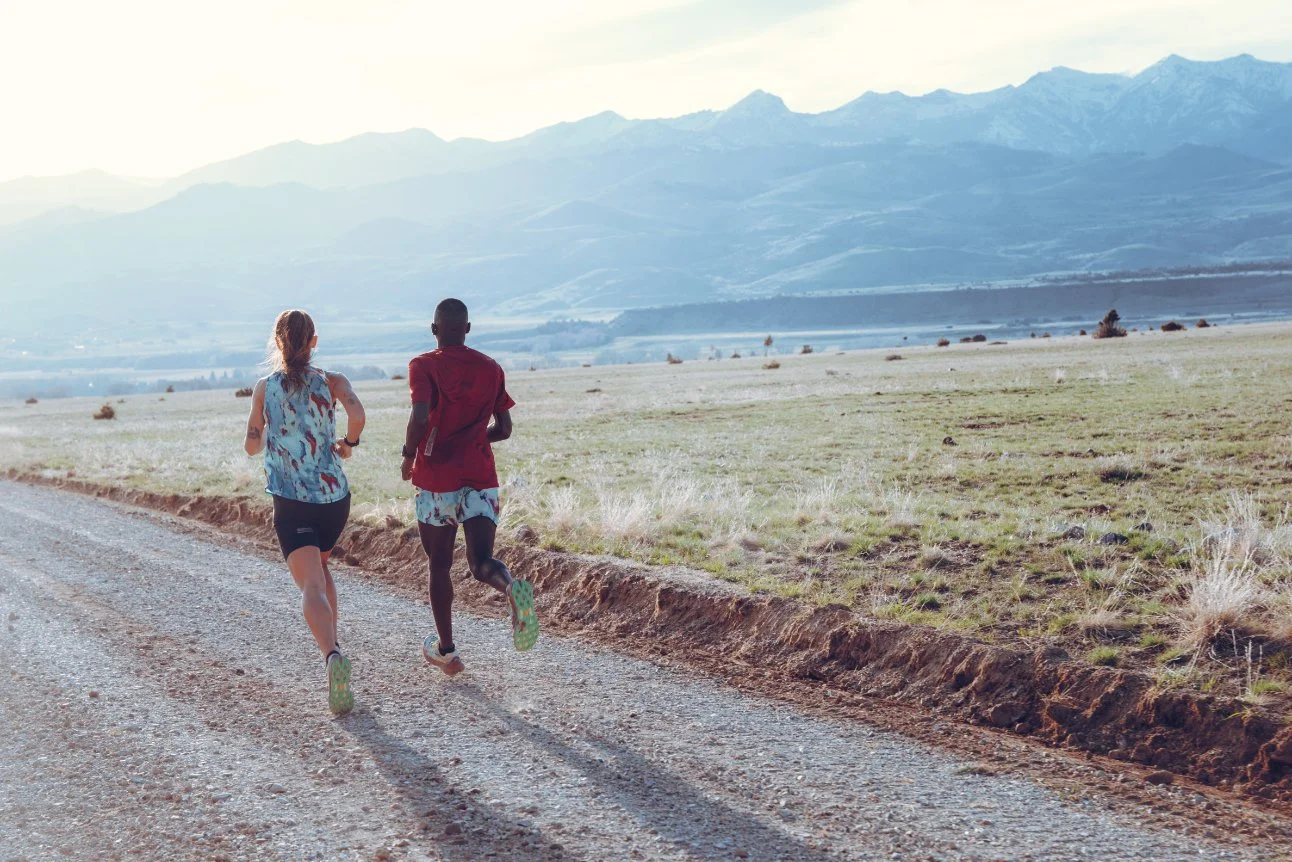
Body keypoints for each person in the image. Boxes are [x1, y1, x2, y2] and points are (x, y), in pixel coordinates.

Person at [401, 298, 538, 676]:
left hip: (436, 481)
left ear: (434, 329)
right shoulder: (491, 368)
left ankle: (447, 652)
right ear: (468, 328)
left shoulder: (423, 365)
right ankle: (510, 590)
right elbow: (506, 429)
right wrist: (474, 440)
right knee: (481, 562)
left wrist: (408, 454)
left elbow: (420, 415)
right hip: (480, 477)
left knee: (439, 564)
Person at [244, 309, 366, 714]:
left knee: (311, 585)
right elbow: (357, 413)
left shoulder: (265, 387)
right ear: (314, 341)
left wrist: (267, 435)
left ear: (278, 342)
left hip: (292, 501)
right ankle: (335, 646)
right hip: (333, 499)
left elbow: (251, 444)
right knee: (323, 570)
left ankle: (332, 658)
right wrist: (348, 443)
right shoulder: (332, 381)